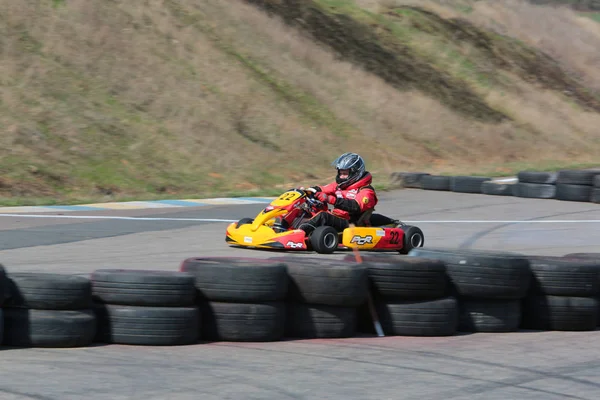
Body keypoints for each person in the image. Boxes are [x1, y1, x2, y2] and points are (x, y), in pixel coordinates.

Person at [299, 152, 396, 235]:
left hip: (351, 223)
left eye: (344, 174)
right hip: (337, 218)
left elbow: (356, 207)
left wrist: (330, 199)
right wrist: (307, 191)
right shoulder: (340, 186)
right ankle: (286, 227)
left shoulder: (366, 191)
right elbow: (321, 189)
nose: (341, 177)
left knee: (323, 216)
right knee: (307, 209)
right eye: (340, 173)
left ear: (355, 173)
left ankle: (300, 233)